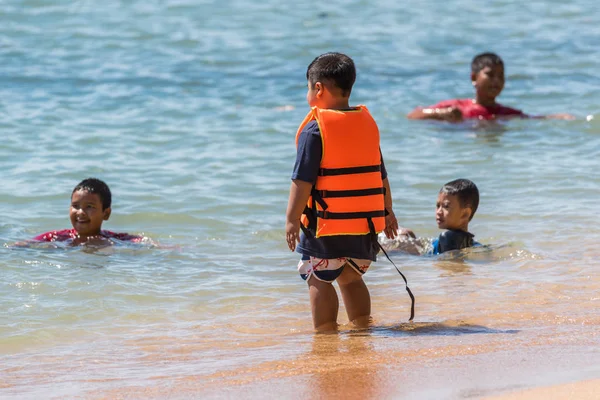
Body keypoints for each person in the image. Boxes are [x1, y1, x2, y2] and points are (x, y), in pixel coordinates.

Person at [285, 52, 401, 332]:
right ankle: (362, 328)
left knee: (319, 277)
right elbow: (379, 173)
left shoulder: (315, 131)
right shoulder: (367, 125)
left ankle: (326, 335)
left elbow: (302, 181)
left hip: (326, 226)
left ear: (318, 88)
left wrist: (291, 219)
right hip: (362, 225)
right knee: (350, 277)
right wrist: (388, 211)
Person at [407, 52, 574, 122]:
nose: (496, 81)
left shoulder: (505, 113)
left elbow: (531, 119)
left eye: (501, 76)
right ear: (474, 78)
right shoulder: (458, 107)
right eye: (490, 75)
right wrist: (441, 113)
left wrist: (557, 117)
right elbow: (414, 115)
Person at [381, 179, 481, 255]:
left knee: (400, 236)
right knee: (406, 233)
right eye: (438, 206)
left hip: (424, 253)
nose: (439, 212)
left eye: (446, 206)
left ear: (465, 214)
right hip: (428, 246)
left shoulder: (447, 238)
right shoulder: (472, 244)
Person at [30, 178, 143, 246]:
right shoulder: (56, 237)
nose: (80, 212)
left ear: (106, 213)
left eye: (89, 206)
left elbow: (145, 243)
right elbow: (23, 246)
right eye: (75, 206)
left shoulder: (115, 239)